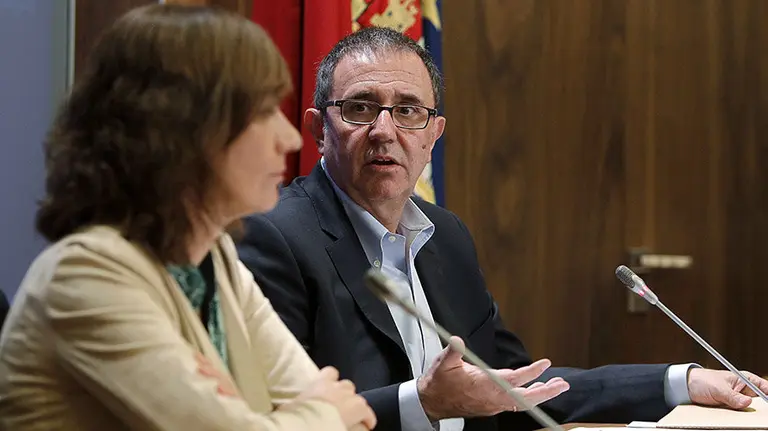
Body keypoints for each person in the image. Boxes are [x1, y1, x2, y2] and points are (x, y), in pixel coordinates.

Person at [235, 26, 768, 431]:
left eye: (408, 111)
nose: (384, 130)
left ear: (434, 134)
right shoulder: (273, 236)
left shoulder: (445, 236)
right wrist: (421, 404)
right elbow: (270, 417)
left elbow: (514, 387)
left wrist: (681, 380)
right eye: (359, 108)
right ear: (317, 130)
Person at [0, 5, 377, 431]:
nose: (290, 138)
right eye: (262, 111)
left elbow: (357, 422)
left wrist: (283, 418)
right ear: (185, 130)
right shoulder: (85, 275)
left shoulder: (216, 262)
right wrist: (321, 413)